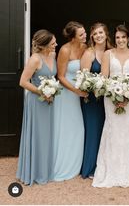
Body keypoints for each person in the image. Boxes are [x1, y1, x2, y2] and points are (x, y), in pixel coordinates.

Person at [92, 24, 129, 188]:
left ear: (128, 39)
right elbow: (104, 77)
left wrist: (128, 95)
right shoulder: (108, 54)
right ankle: (110, 170)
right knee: (112, 130)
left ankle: (128, 170)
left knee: (127, 131)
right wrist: (113, 95)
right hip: (111, 99)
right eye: (117, 37)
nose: (120, 40)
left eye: (123, 37)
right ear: (114, 39)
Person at [16, 29, 57, 185]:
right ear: (45, 45)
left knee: (46, 135)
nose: (55, 45)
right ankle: (32, 171)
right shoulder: (35, 59)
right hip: (37, 101)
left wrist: (52, 91)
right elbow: (23, 82)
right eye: (53, 43)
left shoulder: (52, 55)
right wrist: (43, 91)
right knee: (37, 134)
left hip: (49, 101)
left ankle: (44, 170)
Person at [52, 21, 87, 181]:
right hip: (66, 94)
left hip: (80, 92)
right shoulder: (65, 50)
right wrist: (76, 91)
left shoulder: (85, 48)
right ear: (73, 37)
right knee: (66, 129)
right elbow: (60, 76)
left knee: (78, 129)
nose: (85, 35)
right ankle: (62, 164)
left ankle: (76, 165)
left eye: (85, 32)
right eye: (81, 34)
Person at [80, 22, 112, 179]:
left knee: (107, 132)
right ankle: (90, 168)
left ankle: (106, 166)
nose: (98, 36)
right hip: (92, 100)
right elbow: (83, 78)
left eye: (101, 32)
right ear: (92, 36)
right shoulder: (89, 53)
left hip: (109, 99)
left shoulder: (110, 52)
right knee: (94, 132)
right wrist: (94, 88)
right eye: (95, 33)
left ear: (106, 34)